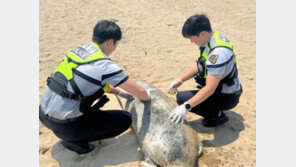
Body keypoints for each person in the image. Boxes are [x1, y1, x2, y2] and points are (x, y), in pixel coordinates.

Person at [39, 20, 150, 154]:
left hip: (43, 113)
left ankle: (72, 132)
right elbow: (142, 93)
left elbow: (87, 82)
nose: (115, 47)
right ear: (110, 42)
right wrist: (147, 95)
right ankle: (75, 141)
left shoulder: (76, 51)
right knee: (124, 120)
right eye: (116, 43)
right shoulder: (104, 65)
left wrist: (119, 92)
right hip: (66, 127)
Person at [169, 14, 243, 127]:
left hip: (228, 96)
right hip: (225, 88)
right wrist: (180, 80)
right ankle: (214, 109)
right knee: (187, 98)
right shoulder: (213, 37)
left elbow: (209, 89)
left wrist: (186, 107)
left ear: (202, 34)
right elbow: (201, 64)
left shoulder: (218, 54)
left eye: (192, 38)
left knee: (183, 99)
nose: (191, 42)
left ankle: (217, 116)